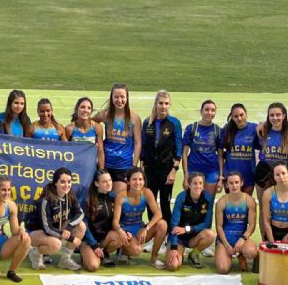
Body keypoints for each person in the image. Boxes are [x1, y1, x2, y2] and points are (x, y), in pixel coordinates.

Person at [141, 90, 183, 238]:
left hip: (166, 171)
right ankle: (154, 234)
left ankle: (168, 238)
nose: (163, 106)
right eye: (160, 103)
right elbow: (144, 147)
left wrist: (174, 170)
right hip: (150, 170)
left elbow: (179, 147)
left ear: (169, 104)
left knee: (165, 204)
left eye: (166, 103)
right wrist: (142, 168)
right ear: (156, 104)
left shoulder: (174, 123)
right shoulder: (148, 122)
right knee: (150, 204)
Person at [26, 168, 86, 271]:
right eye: (62, 182)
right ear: (55, 183)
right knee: (56, 245)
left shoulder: (70, 195)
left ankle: (65, 259)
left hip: (54, 228)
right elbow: (47, 228)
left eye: (69, 182)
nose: (66, 185)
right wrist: (71, 238)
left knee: (81, 226)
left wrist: (69, 228)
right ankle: (35, 253)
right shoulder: (46, 200)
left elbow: (80, 213)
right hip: (35, 232)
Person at [112, 167, 167, 269]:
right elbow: (115, 223)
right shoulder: (121, 196)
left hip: (140, 229)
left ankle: (154, 258)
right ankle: (122, 249)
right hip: (126, 232)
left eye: (140, 179)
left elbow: (158, 214)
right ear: (128, 181)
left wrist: (146, 228)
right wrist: (121, 232)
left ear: (144, 181)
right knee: (136, 251)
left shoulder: (147, 192)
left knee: (162, 224)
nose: (137, 182)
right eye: (134, 179)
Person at [93, 84, 142, 194]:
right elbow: (90, 124)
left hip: (124, 166)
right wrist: (95, 141)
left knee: (119, 200)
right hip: (106, 163)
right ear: (112, 98)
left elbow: (138, 143)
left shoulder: (134, 118)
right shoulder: (105, 114)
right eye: (116, 97)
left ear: (127, 98)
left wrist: (134, 165)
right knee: (104, 198)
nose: (119, 100)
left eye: (122, 97)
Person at [166, 173, 216, 270]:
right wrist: (173, 247)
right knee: (173, 266)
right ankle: (180, 252)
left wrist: (187, 229)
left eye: (200, 183)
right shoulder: (182, 197)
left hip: (194, 237)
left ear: (203, 185)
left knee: (210, 234)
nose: (198, 186)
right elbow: (174, 224)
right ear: (189, 185)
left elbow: (207, 224)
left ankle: (193, 254)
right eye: (195, 183)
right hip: (179, 237)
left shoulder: (208, 198)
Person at [214, 171, 258, 274]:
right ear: (226, 185)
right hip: (225, 238)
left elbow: (252, 225)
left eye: (237, 182)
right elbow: (219, 227)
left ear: (241, 183)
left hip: (241, 238)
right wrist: (226, 245)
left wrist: (242, 239)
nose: (234, 186)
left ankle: (241, 254)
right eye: (231, 183)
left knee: (252, 252)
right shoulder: (222, 202)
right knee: (223, 269)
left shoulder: (249, 201)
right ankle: (226, 253)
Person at [80, 170, 122, 271]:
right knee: (93, 266)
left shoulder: (114, 197)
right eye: (104, 182)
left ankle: (105, 253)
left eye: (110, 180)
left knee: (120, 237)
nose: (109, 183)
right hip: (89, 241)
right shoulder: (87, 199)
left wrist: (125, 231)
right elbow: (84, 226)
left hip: (105, 240)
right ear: (96, 183)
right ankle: (87, 253)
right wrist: (94, 245)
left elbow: (119, 220)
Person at [181, 100, 224, 197]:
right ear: (201, 111)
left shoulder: (218, 130)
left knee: (208, 203)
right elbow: (184, 153)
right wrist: (186, 175)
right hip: (193, 170)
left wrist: (221, 178)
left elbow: (220, 156)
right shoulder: (191, 128)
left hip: (212, 171)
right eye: (207, 110)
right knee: (193, 202)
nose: (210, 113)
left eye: (213, 110)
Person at [260, 161, 288, 244]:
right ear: (273, 177)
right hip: (273, 231)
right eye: (277, 175)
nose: (281, 177)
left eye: (283, 173)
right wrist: (272, 242)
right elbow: (266, 221)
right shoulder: (267, 193)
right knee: (274, 252)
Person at [255, 103, 288, 204]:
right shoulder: (262, 131)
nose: (275, 118)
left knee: (281, 205)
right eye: (271, 115)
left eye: (278, 115)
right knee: (264, 206)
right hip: (263, 170)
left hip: (283, 173)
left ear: (284, 116)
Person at [221, 104, 258, 195]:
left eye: (242, 115)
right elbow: (220, 153)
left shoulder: (255, 128)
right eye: (236, 116)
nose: (239, 118)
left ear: (246, 114)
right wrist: (222, 174)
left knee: (245, 205)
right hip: (230, 176)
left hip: (248, 175)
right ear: (232, 118)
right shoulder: (227, 130)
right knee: (231, 206)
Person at [65, 96, 105, 169]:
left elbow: (100, 151)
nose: (85, 110)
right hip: (74, 167)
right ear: (77, 110)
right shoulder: (69, 129)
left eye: (89, 108)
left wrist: (101, 170)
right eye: (82, 107)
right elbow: (64, 151)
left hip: (90, 168)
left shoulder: (97, 128)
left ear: (91, 111)